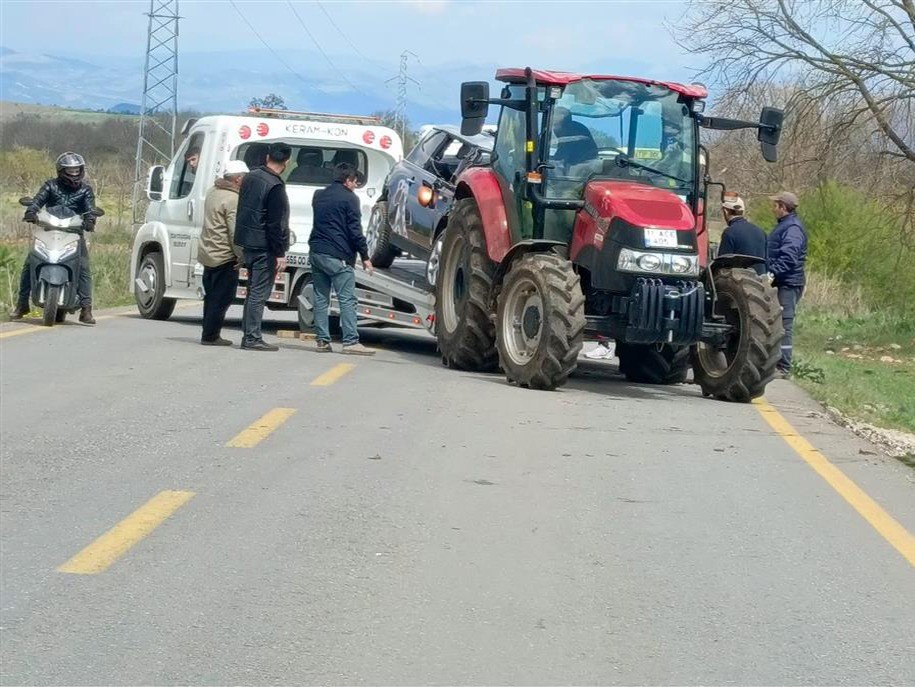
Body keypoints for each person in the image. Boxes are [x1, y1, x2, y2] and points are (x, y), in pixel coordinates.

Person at [9, 152, 98, 325]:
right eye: (70, 170)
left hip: (74, 232)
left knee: (84, 267)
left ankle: (86, 309)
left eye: (76, 170)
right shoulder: (50, 186)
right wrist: (31, 211)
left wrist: (90, 220)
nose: (74, 173)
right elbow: (38, 200)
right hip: (49, 230)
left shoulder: (85, 190)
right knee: (29, 264)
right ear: (61, 171)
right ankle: (22, 305)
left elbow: (89, 208)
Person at [308, 162, 376, 355]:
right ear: (348, 181)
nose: (355, 185)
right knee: (347, 299)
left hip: (316, 251)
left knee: (321, 298)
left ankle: (322, 341)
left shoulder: (318, 195)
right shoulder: (350, 199)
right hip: (337, 255)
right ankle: (351, 341)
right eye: (355, 182)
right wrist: (365, 256)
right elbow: (355, 231)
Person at [234, 142, 292, 352]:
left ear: (268, 157)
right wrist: (280, 253)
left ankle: (247, 334)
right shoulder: (275, 186)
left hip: (247, 242)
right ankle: (252, 337)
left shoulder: (250, 177)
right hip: (264, 246)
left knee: (251, 291)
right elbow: (275, 223)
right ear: (287, 161)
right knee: (259, 293)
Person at [197, 159, 248, 346]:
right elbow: (234, 231)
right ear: (238, 179)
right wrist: (241, 255)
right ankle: (211, 335)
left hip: (207, 251)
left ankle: (207, 332)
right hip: (224, 254)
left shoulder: (212, 192)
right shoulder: (233, 199)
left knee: (210, 295)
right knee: (222, 297)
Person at [767, 191, 808, 377]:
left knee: (785, 323)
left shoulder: (792, 229)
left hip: (788, 284)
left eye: (775, 205)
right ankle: (776, 363)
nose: (772, 208)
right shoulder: (785, 226)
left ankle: (783, 367)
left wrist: (772, 272)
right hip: (783, 281)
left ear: (783, 207)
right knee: (777, 322)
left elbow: (789, 258)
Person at [718, 194, 768, 275]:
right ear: (742, 211)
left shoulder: (729, 232)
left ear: (725, 211)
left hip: (738, 282)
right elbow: (766, 262)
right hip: (760, 282)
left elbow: (722, 264)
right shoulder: (761, 232)